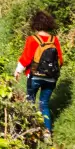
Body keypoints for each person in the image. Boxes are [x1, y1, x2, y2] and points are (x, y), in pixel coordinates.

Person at [14, 10, 63, 141]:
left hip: (35, 76)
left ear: (35, 24)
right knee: (44, 104)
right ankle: (47, 134)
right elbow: (60, 61)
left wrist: (18, 70)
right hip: (51, 78)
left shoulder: (32, 39)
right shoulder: (54, 40)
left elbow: (26, 58)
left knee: (30, 102)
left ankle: (29, 132)